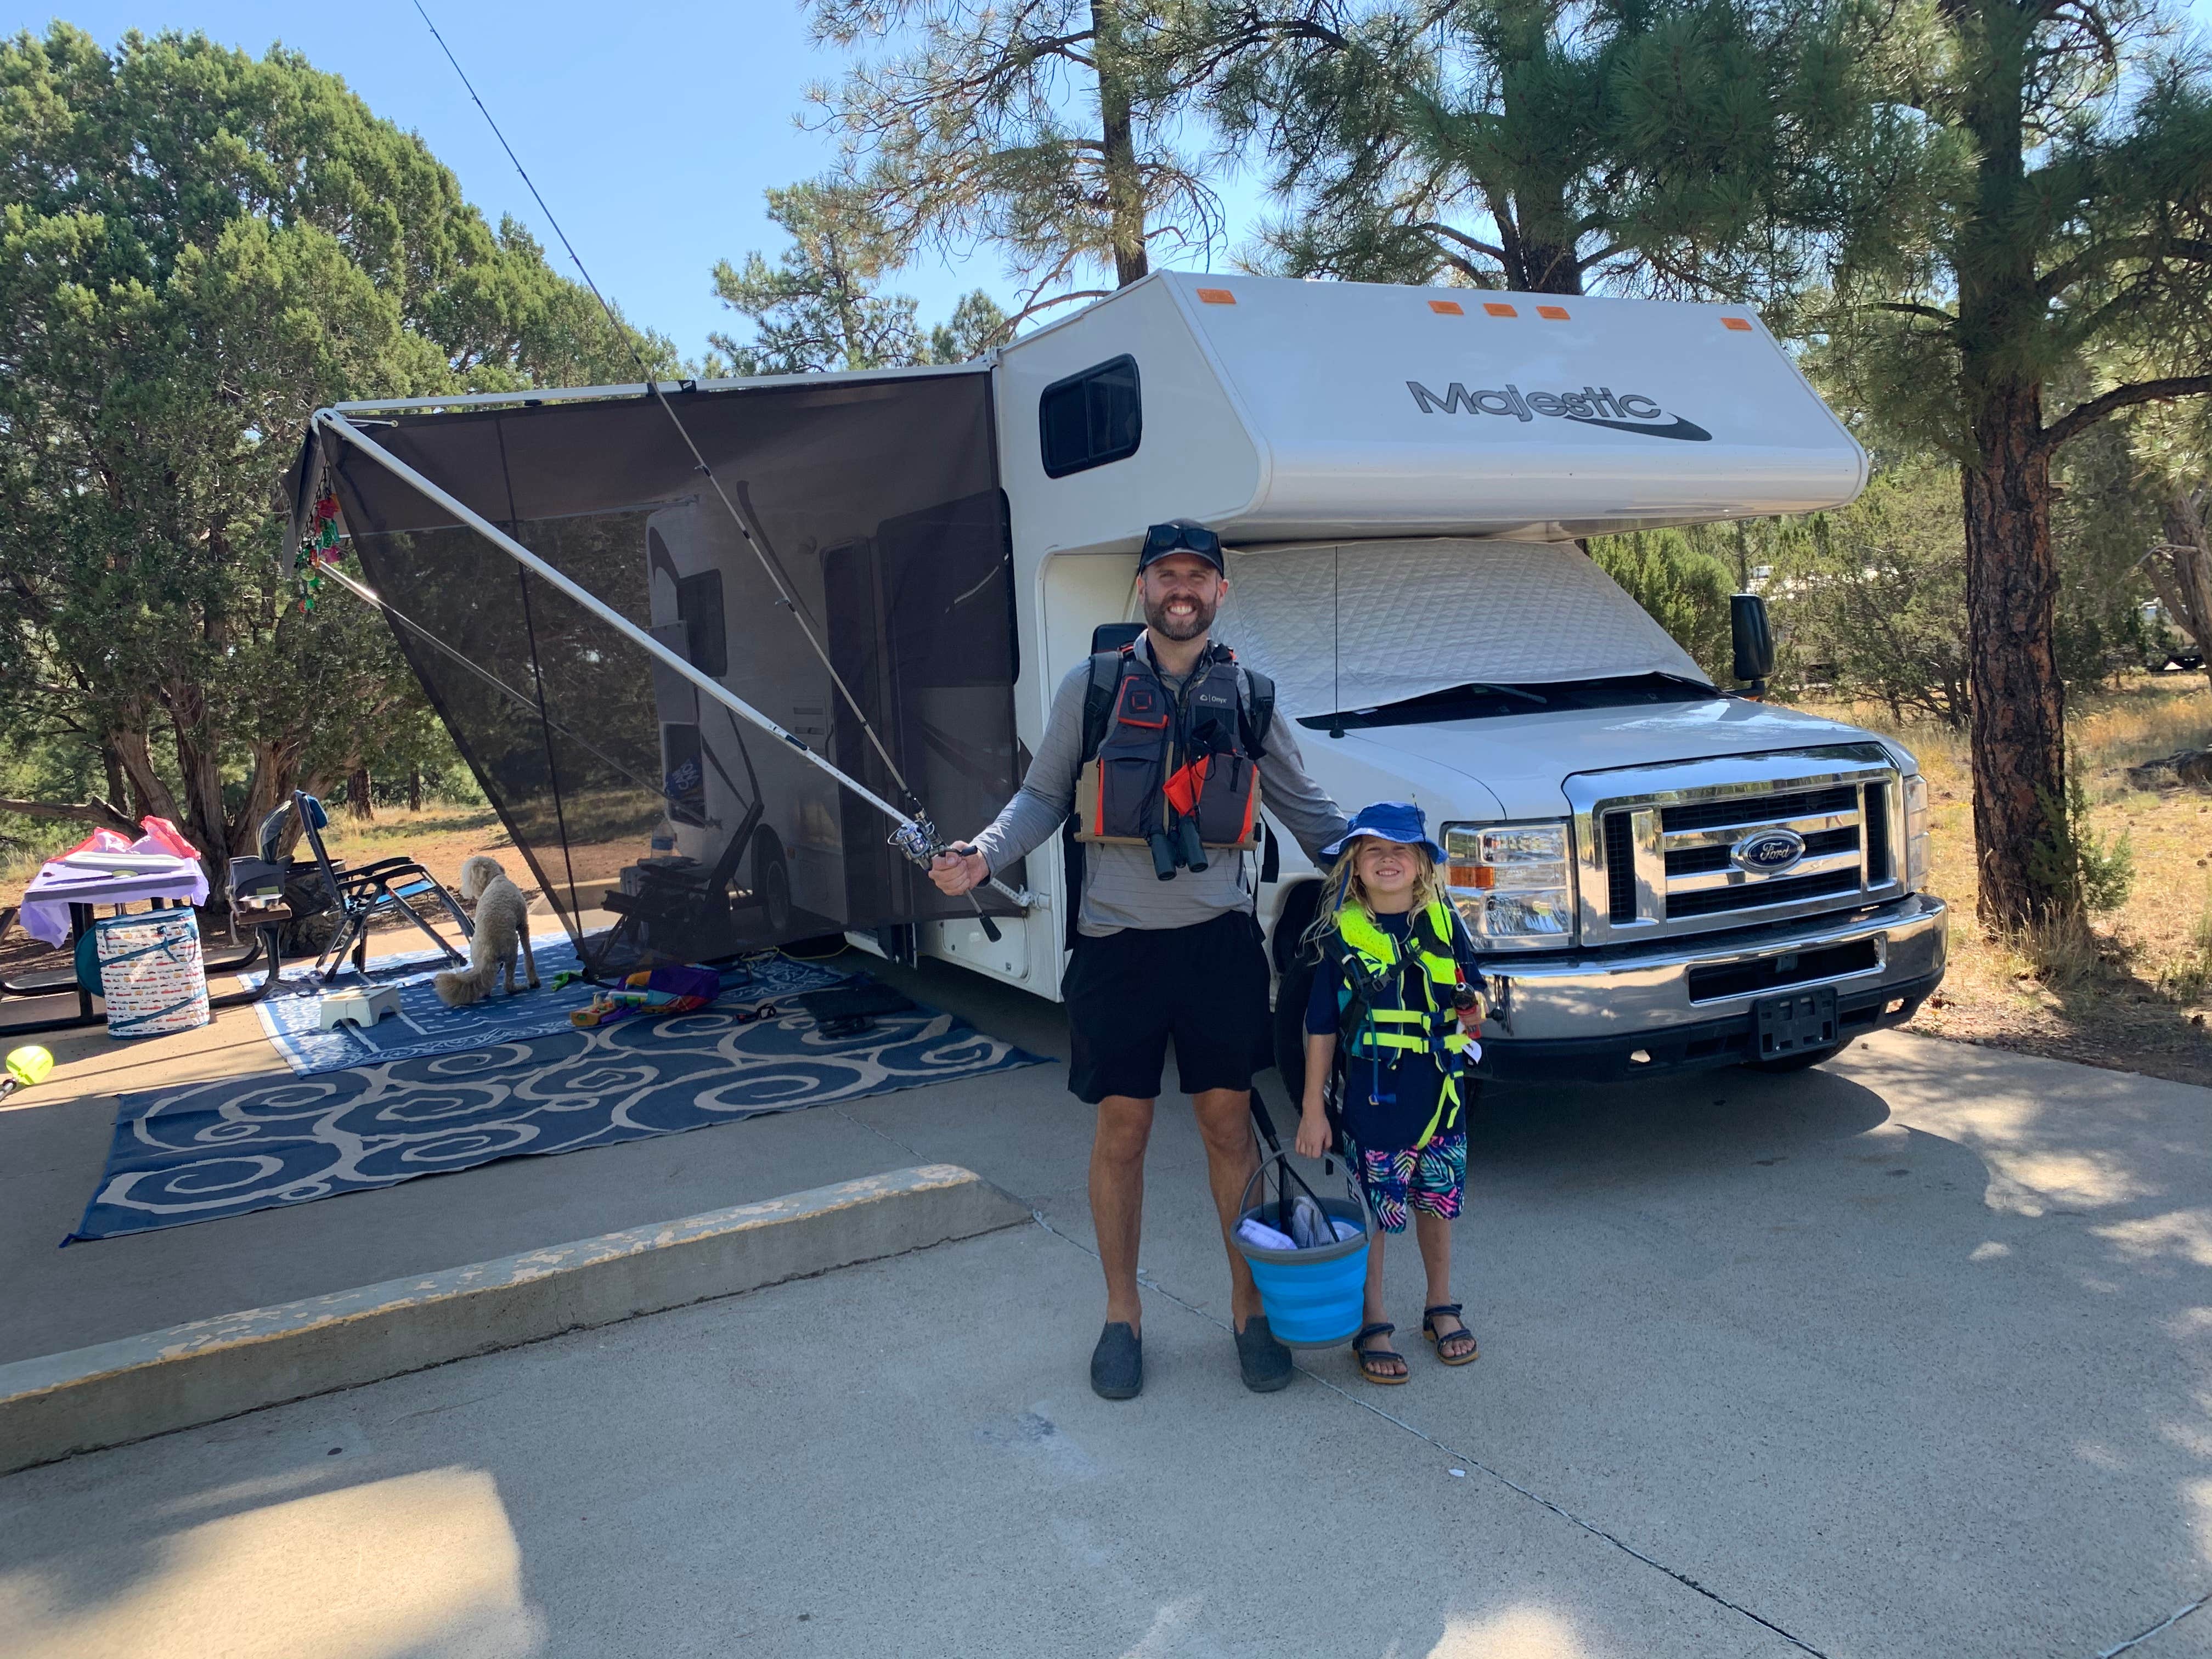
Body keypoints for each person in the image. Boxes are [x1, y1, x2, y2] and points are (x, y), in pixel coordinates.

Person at [929, 520, 1349, 1400]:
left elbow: (1313, 814)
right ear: (1144, 587)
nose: (1183, 589)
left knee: (1229, 1128)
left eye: (1199, 575)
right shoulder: (1092, 688)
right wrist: (983, 854)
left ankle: (1248, 1311)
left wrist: (1394, 865)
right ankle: (1123, 1316)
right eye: (1167, 576)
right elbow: (1043, 796)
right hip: (1117, 948)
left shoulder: (1253, 697)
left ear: (1221, 592)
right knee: (1123, 1130)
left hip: (1218, 950)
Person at [1293, 803, 1485, 1385]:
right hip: (1374, 1106)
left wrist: (1472, 1010)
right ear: (1353, 866)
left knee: (1437, 1206)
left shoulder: (1446, 926)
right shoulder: (1338, 938)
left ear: (1423, 864)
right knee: (1374, 1216)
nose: (1388, 859)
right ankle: (1372, 1318)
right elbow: (1321, 1026)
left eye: (1402, 849)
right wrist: (1312, 1108)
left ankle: (1440, 1305)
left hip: (1440, 1101)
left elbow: (1475, 1000)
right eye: (1373, 850)